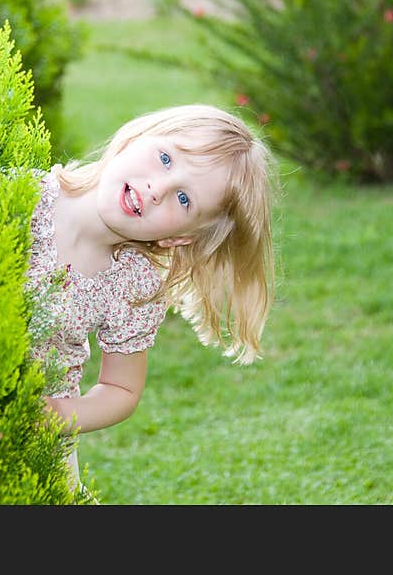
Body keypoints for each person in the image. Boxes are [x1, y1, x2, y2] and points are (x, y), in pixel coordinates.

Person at [24, 103, 276, 487]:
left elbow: (121, 389)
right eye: (165, 158)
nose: (158, 189)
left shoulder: (134, 284)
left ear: (178, 238)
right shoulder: (19, 194)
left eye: (184, 200)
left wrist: (55, 414)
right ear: (135, 136)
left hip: (31, 433)